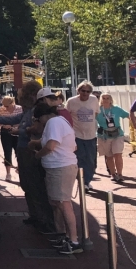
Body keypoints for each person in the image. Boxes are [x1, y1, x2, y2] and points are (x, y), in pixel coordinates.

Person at [0, 82, 56, 232]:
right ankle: (35, 215)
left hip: (29, 150)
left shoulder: (38, 111)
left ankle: (43, 219)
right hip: (24, 149)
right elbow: (17, 118)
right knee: (27, 184)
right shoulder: (30, 110)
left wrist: (19, 130)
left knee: (34, 185)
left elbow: (35, 129)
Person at [33, 100, 82, 255]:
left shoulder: (53, 122)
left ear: (43, 116)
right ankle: (63, 235)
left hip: (60, 166)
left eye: (38, 119)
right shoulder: (61, 121)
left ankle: (73, 240)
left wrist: (38, 155)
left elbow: (51, 145)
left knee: (63, 202)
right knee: (56, 202)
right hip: (58, 165)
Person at [66, 81, 99, 191]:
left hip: (91, 135)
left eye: (88, 91)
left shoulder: (94, 100)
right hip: (77, 136)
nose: (85, 93)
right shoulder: (71, 101)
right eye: (83, 91)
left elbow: (96, 114)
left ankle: (87, 180)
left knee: (91, 160)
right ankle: (83, 181)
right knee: (80, 159)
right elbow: (67, 116)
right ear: (78, 91)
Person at [97, 93, 129, 183]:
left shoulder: (116, 109)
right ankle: (113, 174)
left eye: (108, 98)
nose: (106, 100)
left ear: (111, 99)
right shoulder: (98, 110)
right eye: (104, 98)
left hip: (117, 134)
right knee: (109, 156)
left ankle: (120, 174)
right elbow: (91, 121)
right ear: (101, 99)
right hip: (104, 135)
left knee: (118, 154)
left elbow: (128, 116)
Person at [0, 94, 22, 181]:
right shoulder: (1, 109)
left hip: (17, 132)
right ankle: (8, 173)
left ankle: (20, 171)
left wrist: (14, 126)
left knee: (18, 152)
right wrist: (4, 125)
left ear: (12, 103)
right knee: (7, 152)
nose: (6, 107)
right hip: (5, 132)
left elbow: (22, 121)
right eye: (4, 106)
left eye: (7, 106)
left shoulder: (19, 109)